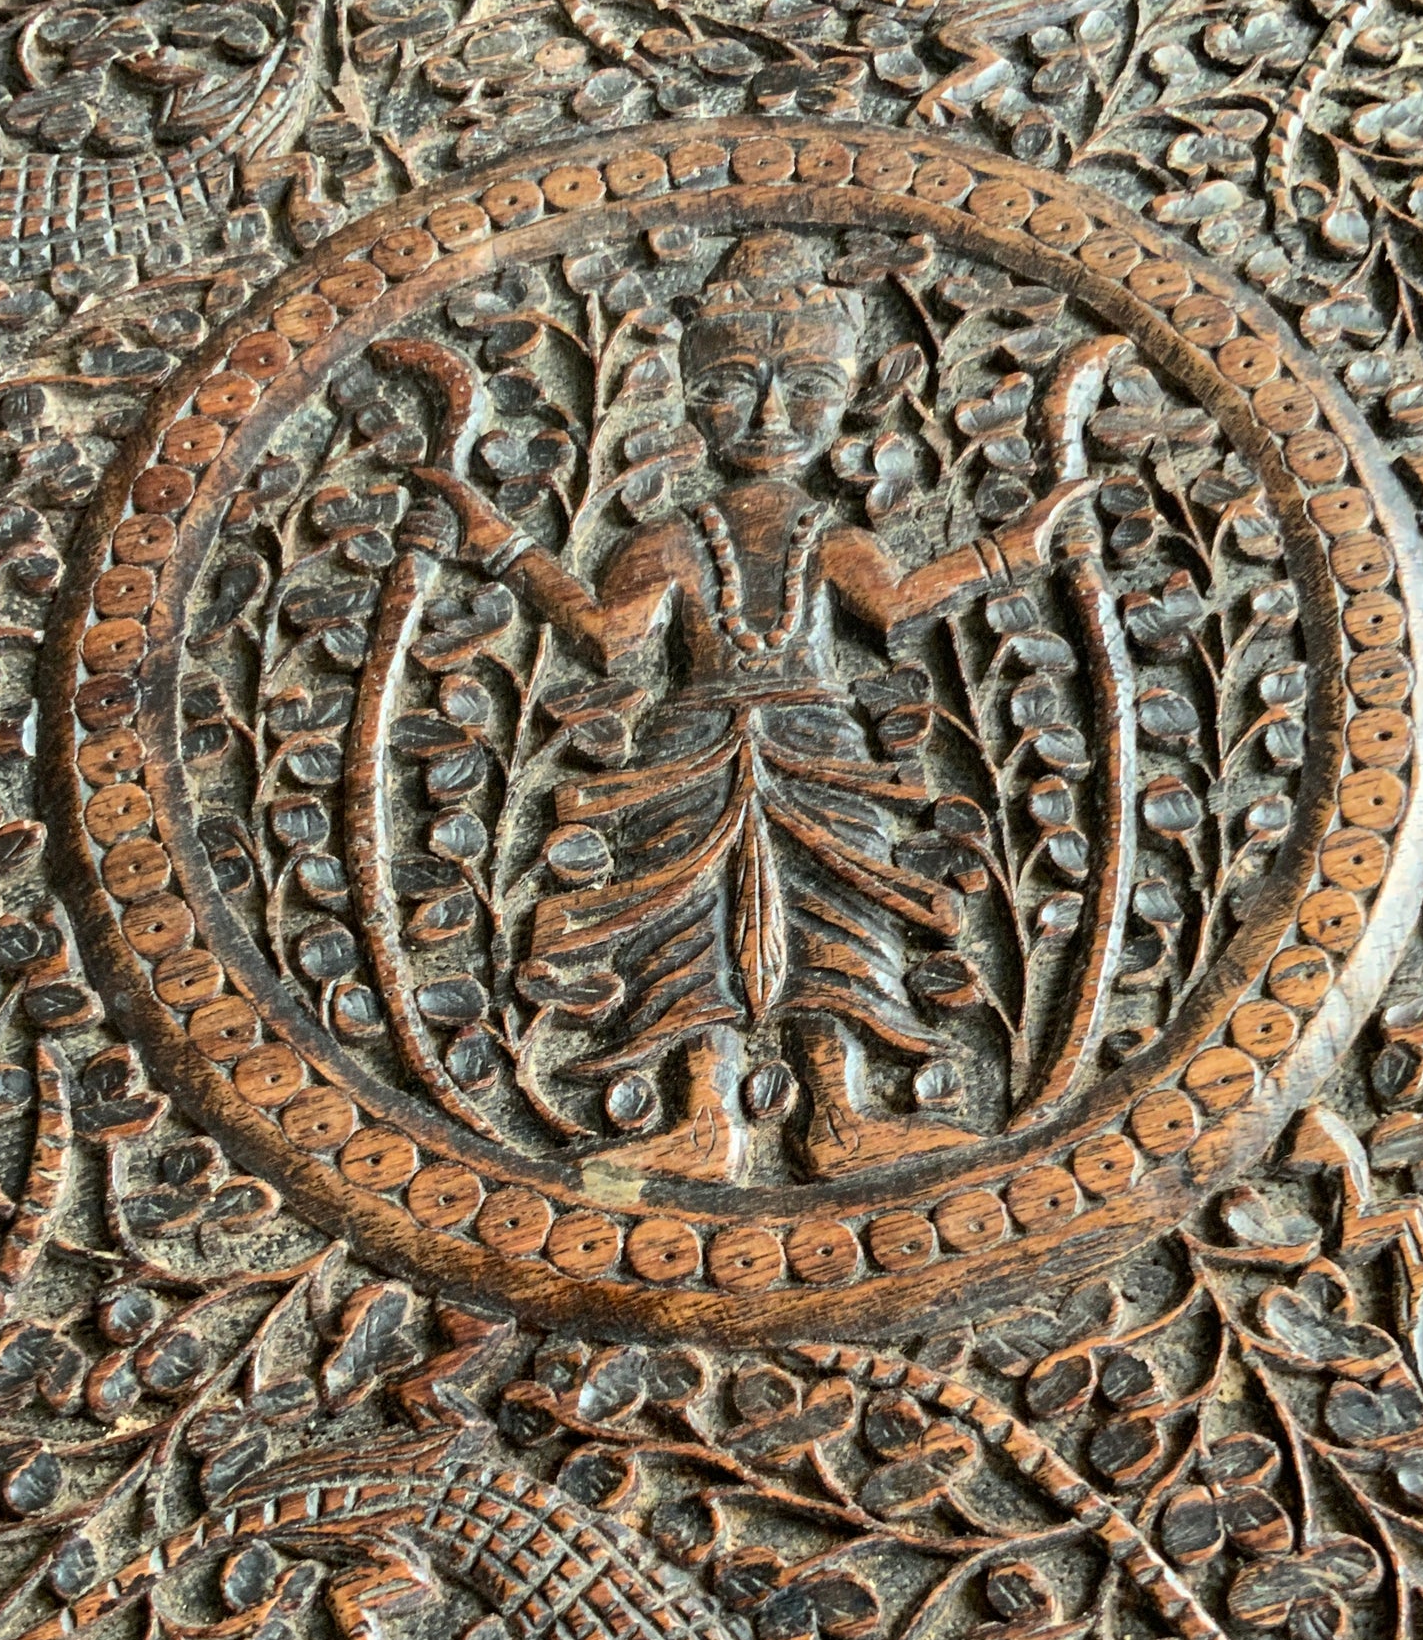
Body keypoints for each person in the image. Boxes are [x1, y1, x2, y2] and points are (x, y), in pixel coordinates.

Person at [405, 230, 1089, 1182]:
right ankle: (701, 1119)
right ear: (690, 397)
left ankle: (839, 1114)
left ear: (849, 398)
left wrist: (1020, 543)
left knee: (838, 914)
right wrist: (496, 539)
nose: (771, 413)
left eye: (806, 387)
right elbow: (608, 636)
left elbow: (896, 610)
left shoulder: (833, 536)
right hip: (690, 744)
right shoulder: (666, 539)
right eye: (734, 385)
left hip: (817, 745)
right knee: (684, 921)